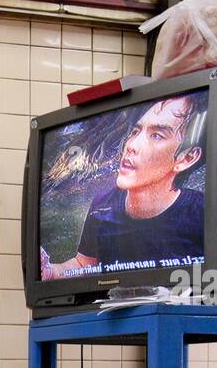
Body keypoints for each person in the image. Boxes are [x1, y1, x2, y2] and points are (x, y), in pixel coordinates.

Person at [42, 95, 206, 279]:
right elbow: (84, 264)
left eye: (157, 135)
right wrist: (50, 272)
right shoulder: (103, 203)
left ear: (187, 158)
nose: (132, 146)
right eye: (135, 131)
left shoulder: (204, 215)